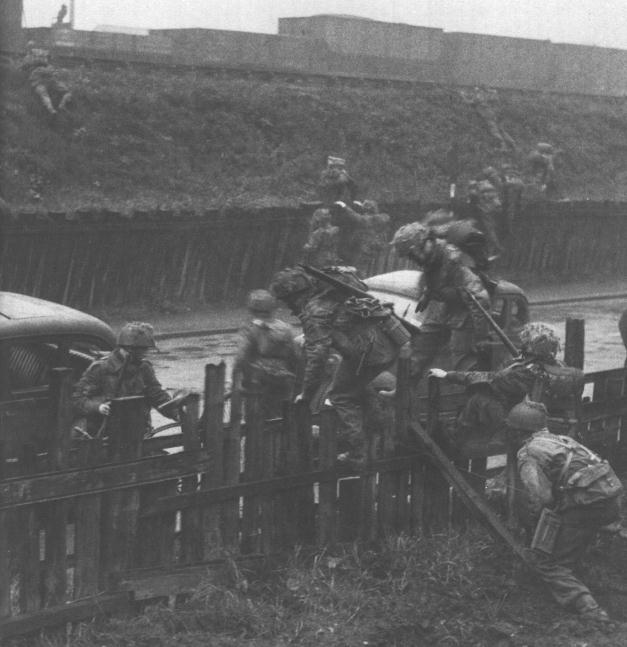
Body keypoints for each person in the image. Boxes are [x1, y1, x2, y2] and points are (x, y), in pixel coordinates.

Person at [270, 266, 409, 468]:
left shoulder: (314, 313)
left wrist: (306, 394)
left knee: (340, 395)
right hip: (385, 345)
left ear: (295, 296)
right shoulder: (327, 296)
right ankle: (382, 429)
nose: (289, 308)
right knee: (357, 385)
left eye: (287, 301)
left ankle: (357, 453)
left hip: (368, 353)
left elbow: (317, 356)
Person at [507, 399, 622, 622]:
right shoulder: (561, 439)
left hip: (587, 505)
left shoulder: (528, 452)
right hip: (611, 497)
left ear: (518, 431)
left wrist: (533, 527)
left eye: (511, 430)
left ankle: (589, 609)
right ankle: (581, 566)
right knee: (571, 538)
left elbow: (542, 498)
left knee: (547, 562)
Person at [429, 322, 584, 447]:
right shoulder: (562, 368)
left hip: (523, 430)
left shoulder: (524, 372)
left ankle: (454, 438)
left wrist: (447, 375)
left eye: (525, 343)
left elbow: (489, 379)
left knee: (480, 398)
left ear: (530, 347)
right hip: (552, 424)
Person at [390, 222, 491, 387]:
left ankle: (468, 400)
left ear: (425, 243)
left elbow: (480, 298)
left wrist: (480, 337)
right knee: (421, 347)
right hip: (444, 306)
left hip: (466, 312)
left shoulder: (454, 259)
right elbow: (436, 278)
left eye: (412, 254)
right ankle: (402, 391)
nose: (412, 259)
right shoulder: (430, 257)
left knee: (461, 358)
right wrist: (427, 294)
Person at [72, 322, 177, 437]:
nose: (144, 354)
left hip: (138, 431)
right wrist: (99, 407)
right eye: (141, 351)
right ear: (127, 350)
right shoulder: (101, 368)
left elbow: (157, 396)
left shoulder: (144, 368)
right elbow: (77, 400)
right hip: (104, 433)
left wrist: (177, 414)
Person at [232, 289, 300, 419]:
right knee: (280, 418)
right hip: (284, 379)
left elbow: (241, 356)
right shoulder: (285, 327)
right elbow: (296, 355)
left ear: (251, 308)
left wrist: (236, 378)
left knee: (255, 421)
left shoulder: (250, 328)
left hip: (258, 380)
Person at [334, 199, 390, 277]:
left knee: (359, 270)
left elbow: (359, 218)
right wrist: (361, 206)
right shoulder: (377, 218)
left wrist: (345, 207)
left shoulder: (370, 219)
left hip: (364, 249)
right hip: (368, 248)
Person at [20, 43, 71, 117]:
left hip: (40, 81)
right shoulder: (47, 66)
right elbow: (55, 75)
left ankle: (53, 109)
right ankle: (60, 106)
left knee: (44, 94)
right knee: (65, 91)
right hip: (47, 80)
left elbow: (24, 69)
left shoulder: (34, 64)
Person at [460, 87, 516, 152]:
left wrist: (462, 95)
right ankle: (512, 144)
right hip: (493, 116)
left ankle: (503, 146)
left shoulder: (478, 99)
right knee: (501, 130)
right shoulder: (484, 97)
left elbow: (468, 102)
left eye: (477, 92)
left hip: (488, 117)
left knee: (495, 132)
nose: (476, 94)